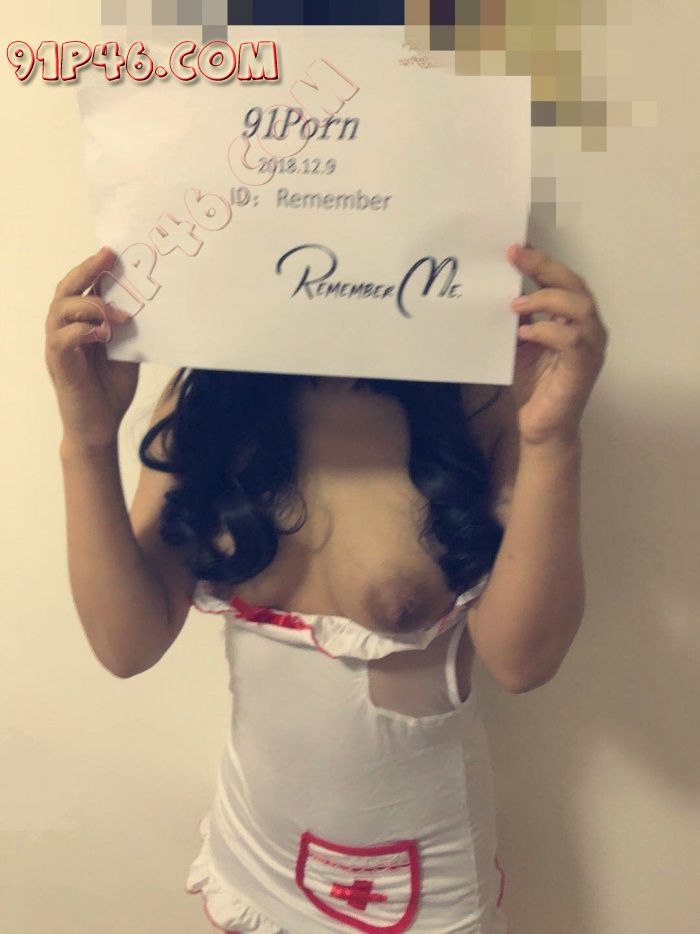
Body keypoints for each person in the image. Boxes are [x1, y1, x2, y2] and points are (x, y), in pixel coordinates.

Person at [46, 243, 607, 933]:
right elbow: (125, 646)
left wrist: (553, 440)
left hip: (422, 878)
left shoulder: (482, 402)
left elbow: (524, 662)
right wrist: (86, 439)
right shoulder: (209, 403)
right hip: (253, 852)